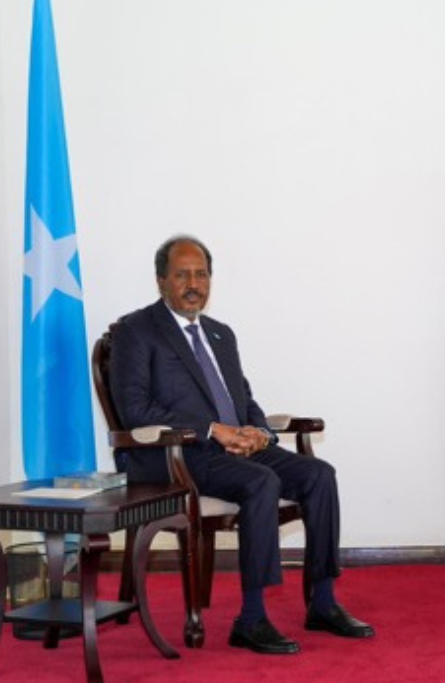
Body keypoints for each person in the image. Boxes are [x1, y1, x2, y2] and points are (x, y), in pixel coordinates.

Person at [109, 235, 374, 655]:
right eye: (181, 275)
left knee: (319, 475)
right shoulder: (135, 332)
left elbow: (243, 399)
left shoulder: (220, 334)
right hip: (175, 455)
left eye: (201, 274)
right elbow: (135, 410)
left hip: (232, 450)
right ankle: (251, 619)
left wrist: (257, 433)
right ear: (161, 281)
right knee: (261, 482)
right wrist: (214, 429)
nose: (192, 283)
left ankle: (322, 602)